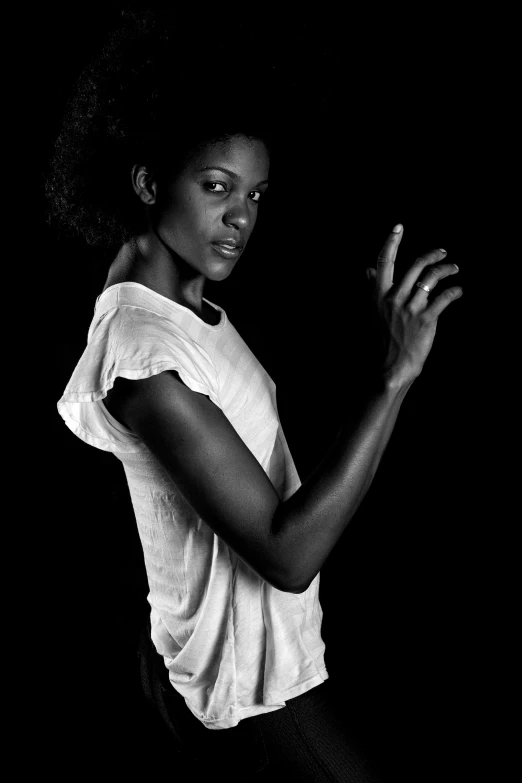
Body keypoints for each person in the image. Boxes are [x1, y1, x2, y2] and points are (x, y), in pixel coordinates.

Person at [48, 10, 462, 782]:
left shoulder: (170, 294)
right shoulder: (145, 359)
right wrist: (393, 377)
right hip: (250, 687)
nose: (241, 216)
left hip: (216, 649)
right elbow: (288, 553)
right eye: (216, 186)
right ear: (146, 180)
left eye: (257, 194)